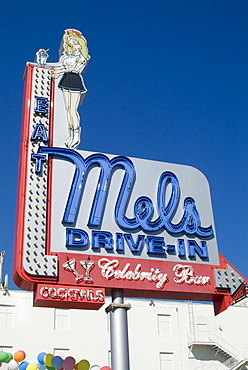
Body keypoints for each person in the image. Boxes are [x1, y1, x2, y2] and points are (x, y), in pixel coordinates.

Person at [46, 28, 90, 149]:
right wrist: (45, 63)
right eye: (69, 41)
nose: (72, 43)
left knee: (73, 110)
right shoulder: (66, 56)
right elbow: (59, 65)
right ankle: (70, 134)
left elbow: (72, 69)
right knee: (68, 109)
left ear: (79, 42)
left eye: (74, 41)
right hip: (65, 79)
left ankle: (75, 134)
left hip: (74, 80)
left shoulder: (82, 57)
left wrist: (57, 72)